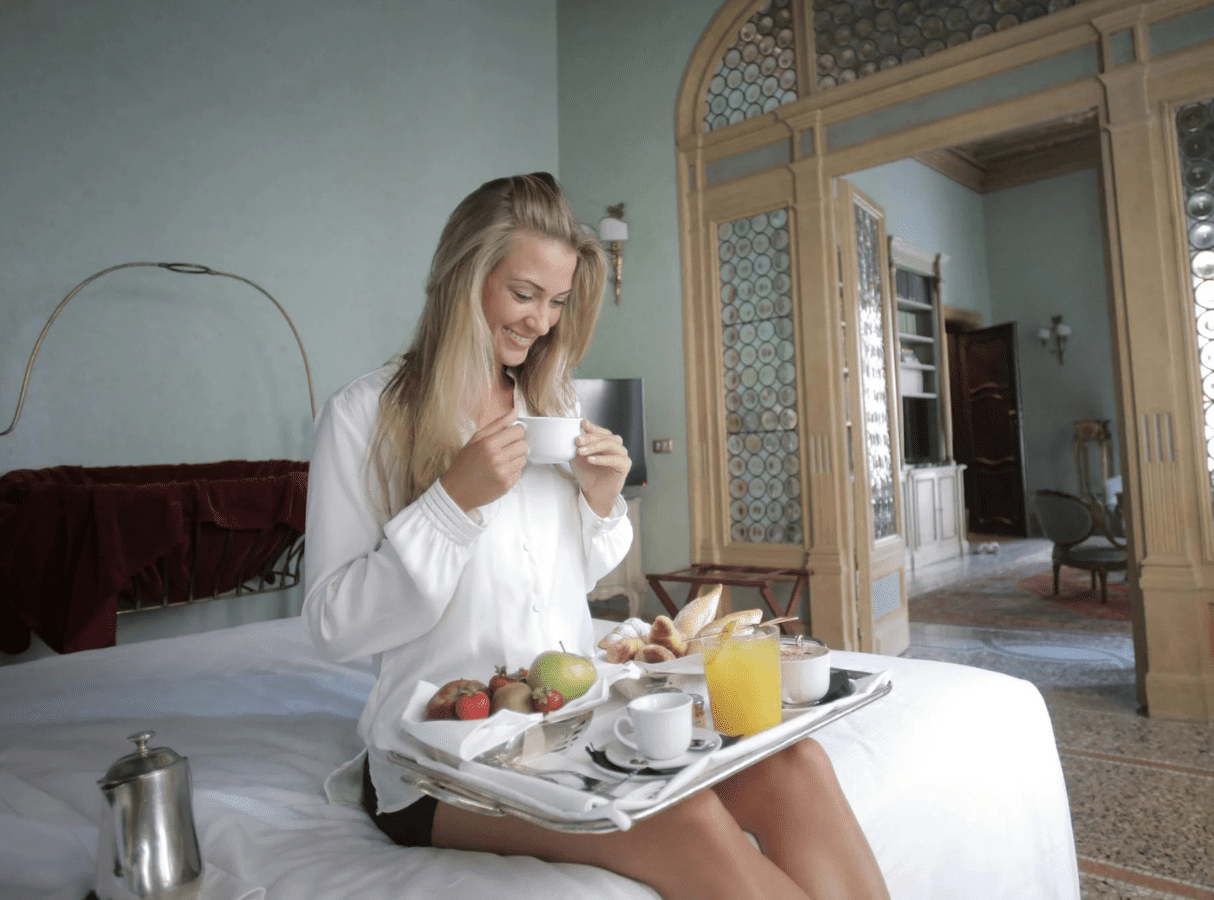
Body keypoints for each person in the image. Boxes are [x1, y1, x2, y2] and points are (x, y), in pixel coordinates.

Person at [302, 172, 890, 900]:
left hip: (573, 720)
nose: (542, 322)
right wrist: (451, 502)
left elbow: (555, 582)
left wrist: (603, 502)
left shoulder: (547, 403)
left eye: (556, 302)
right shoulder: (363, 417)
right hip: (440, 753)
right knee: (693, 821)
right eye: (523, 294)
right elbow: (330, 626)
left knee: (799, 768)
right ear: (462, 277)